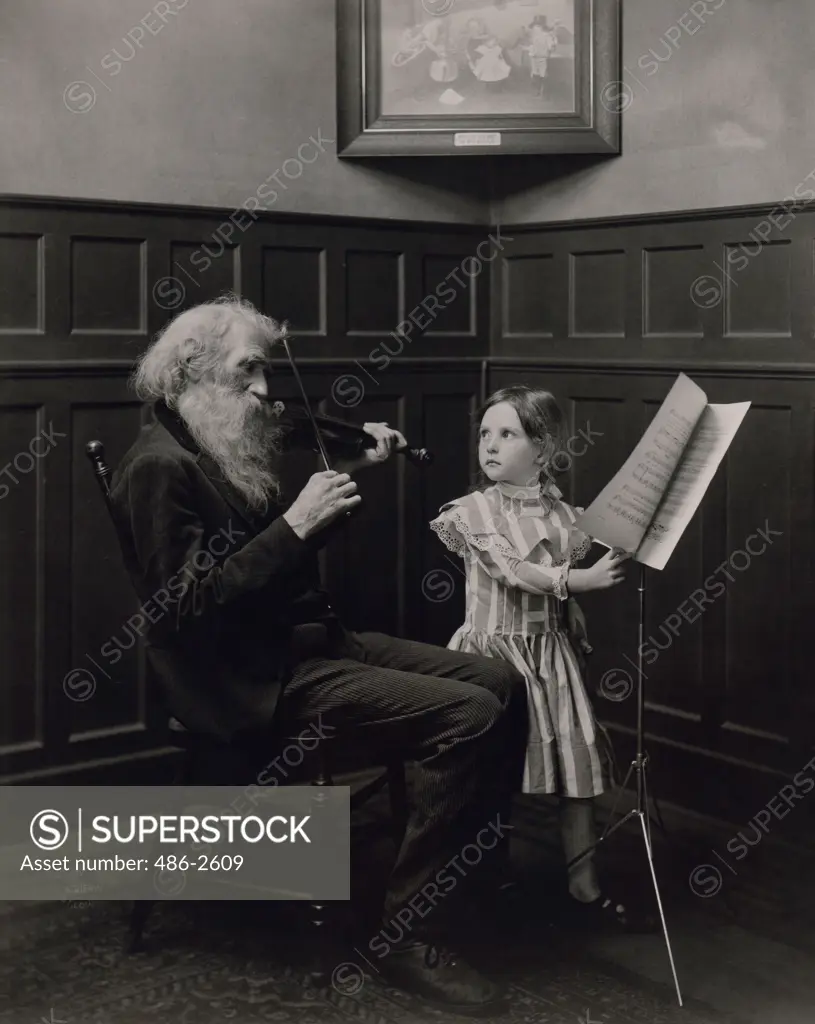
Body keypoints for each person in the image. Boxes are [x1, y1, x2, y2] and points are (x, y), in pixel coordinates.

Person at [109, 296, 527, 1012]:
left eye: (266, 373)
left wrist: (339, 484)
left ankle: (461, 879)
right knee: (471, 713)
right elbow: (183, 613)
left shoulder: (210, 445)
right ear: (192, 373)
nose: (266, 392)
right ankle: (403, 931)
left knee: (500, 679)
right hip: (244, 680)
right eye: (249, 373)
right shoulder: (158, 468)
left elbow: (270, 568)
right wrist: (296, 525)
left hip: (301, 644)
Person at [430, 385, 637, 930]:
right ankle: (479, 881)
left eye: (508, 434)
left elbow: (555, 587)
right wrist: (580, 581)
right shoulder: (474, 512)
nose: (490, 446)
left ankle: (583, 886)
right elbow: (517, 572)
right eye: (484, 434)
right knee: (489, 776)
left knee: (577, 772)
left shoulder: (564, 515)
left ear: (543, 451)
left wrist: (575, 612)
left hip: (550, 658)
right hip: (491, 660)